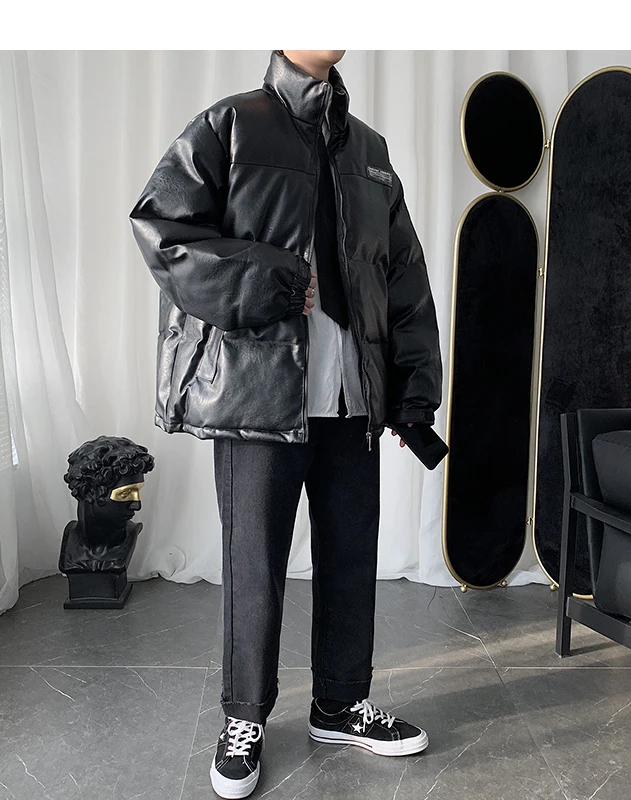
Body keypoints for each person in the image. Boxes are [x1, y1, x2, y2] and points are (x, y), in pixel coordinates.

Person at [130, 49, 442, 800]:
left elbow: (402, 274)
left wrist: (413, 392)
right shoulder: (232, 125)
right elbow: (162, 231)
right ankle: (244, 717)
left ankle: (340, 704)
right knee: (255, 564)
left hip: (351, 398)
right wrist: (270, 279)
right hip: (258, 398)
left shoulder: (369, 152)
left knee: (350, 556)